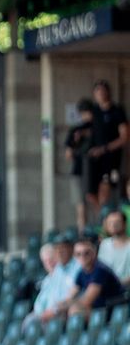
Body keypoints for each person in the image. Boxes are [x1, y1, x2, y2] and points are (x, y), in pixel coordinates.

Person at [50, 235, 124, 318]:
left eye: (86, 253)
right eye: (78, 254)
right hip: (98, 310)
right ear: (74, 256)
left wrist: (65, 305)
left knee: (75, 311)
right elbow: (70, 296)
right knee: (60, 312)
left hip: (112, 311)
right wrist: (60, 306)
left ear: (94, 253)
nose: (82, 257)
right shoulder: (82, 272)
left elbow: (86, 301)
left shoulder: (100, 270)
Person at [90, 79, 127, 213]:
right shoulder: (94, 111)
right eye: (97, 91)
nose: (100, 94)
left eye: (102, 91)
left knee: (107, 189)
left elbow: (124, 137)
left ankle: (107, 218)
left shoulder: (117, 111)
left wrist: (104, 149)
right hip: (94, 159)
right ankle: (103, 218)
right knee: (91, 192)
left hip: (111, 159)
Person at [65, 96, 97, 227]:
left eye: (88, 112)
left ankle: (100, 231)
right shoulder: (76, 129)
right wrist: (77, 141)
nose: (86, 116)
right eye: (83, 113)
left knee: (94, 202)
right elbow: (68, 154)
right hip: (78, 170)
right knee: (80, 205)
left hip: (94, 170)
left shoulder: (97, 128)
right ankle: (83, 233)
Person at [32, 238, 78, 318]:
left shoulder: (77, 267)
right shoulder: (57, 271)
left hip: (61, 311)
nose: (60, 252)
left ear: (71, 249)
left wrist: (54, 310)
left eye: (63, 249)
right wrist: (40, 313)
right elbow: (40, 302)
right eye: (57, 250)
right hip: (47, 313)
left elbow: (72, 295)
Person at [101, 207, 130, 281]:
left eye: (117, 222)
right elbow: (101, 268)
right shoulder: (104, 244)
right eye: (110, 222)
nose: (113, 225)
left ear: (124, 224)